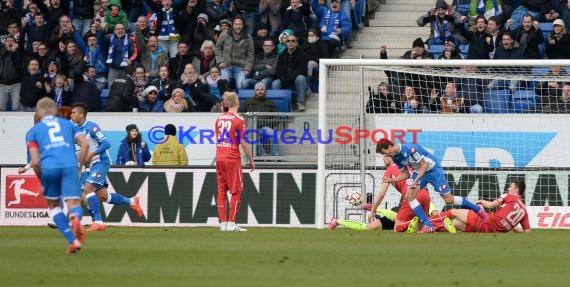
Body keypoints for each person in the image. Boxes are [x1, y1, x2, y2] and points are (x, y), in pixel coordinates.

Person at [376, 139, 487, 233]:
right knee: (409, 196)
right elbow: (405, 174)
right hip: (418, 172)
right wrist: (392, 179)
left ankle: (478, 209)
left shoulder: (410, 148)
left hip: (432, 169)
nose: (385, 155)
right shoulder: (396, 158)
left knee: (449, 199)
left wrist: (416, 180)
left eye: (384, 152)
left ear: (390, 146)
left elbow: (424, 165)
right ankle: (428, 224)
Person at [27, 98, 89, 253]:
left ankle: (73, 241)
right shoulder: (68, 124)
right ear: (55, 110)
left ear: (39, 113)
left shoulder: (33, 131)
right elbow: (85, 145)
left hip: (49, 168)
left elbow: (35, 162)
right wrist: (79, 166)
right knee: (74, 204)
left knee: (54, 206)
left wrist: (42, 181)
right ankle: (75, 217)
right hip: (69, 165)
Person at [328, 155, 453, 233]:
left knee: (396, 227)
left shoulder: (390, 170)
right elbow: (394, 215)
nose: (383, 158)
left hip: (411, 198)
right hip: (423, 194)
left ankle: (337, 221)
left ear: (391, 157)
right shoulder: (407, 165)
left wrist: (373, 210)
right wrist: (373, 208)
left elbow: (382, 194)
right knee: (424, 223)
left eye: (384, 155)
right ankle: (441, 223)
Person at [70, 103, 143, 232]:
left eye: (74, 113)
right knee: (104, 196)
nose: (71, 115)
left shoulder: (92, 127)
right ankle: (132, 201)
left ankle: (98, 222)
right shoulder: (75, 130)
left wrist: (91, 155)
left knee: (88, 189)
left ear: (81, 115)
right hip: (91, 165)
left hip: (101, 162)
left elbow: (106, 143)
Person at [215, 92, 255, 231]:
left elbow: (218, 139)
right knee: (236, 191)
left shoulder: (219, 119)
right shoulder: (239, 120)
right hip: (232, 158)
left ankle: (223, 224)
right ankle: (231, 223)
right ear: (237, 102)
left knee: (221, 191)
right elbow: (243, 143)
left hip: (220, 157)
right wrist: (251, 159)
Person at [435, 180, 531, 233]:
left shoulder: (509, 196)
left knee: (454, 212)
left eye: (511, 186)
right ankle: (432, 228)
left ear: (516, 189)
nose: (508, 188)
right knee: (455, 223)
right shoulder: (524, 212)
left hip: (485, 221)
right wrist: (518, 230)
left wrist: (481, 201)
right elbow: (528, 232)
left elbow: (490, 205)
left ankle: (428, 222)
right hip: (487, 231)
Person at [239, 82, 280, 156]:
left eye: (262, 89)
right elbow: (240, 115)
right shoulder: (247, 102)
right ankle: (262, 155)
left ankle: (275, 155)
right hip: (250, 128)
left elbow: (276, 118)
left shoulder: (270, 103)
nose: (260, 91)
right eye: (257, 90)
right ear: (255, 91)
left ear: (265, 91)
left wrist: (261, 123)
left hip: (265, 127)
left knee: (272, 133)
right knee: (253, 134)